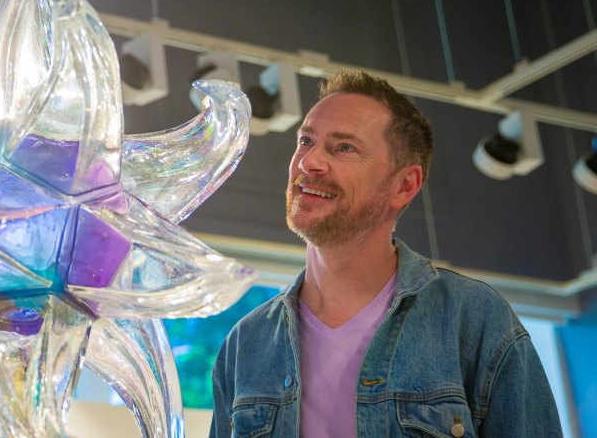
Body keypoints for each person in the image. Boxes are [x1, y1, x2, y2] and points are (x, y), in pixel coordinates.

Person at [210, 70, 562, 437]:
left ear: (404, 185)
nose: (308, 162)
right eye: (306, 141)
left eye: (343, 147)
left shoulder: (475, 320)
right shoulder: (244, 345)